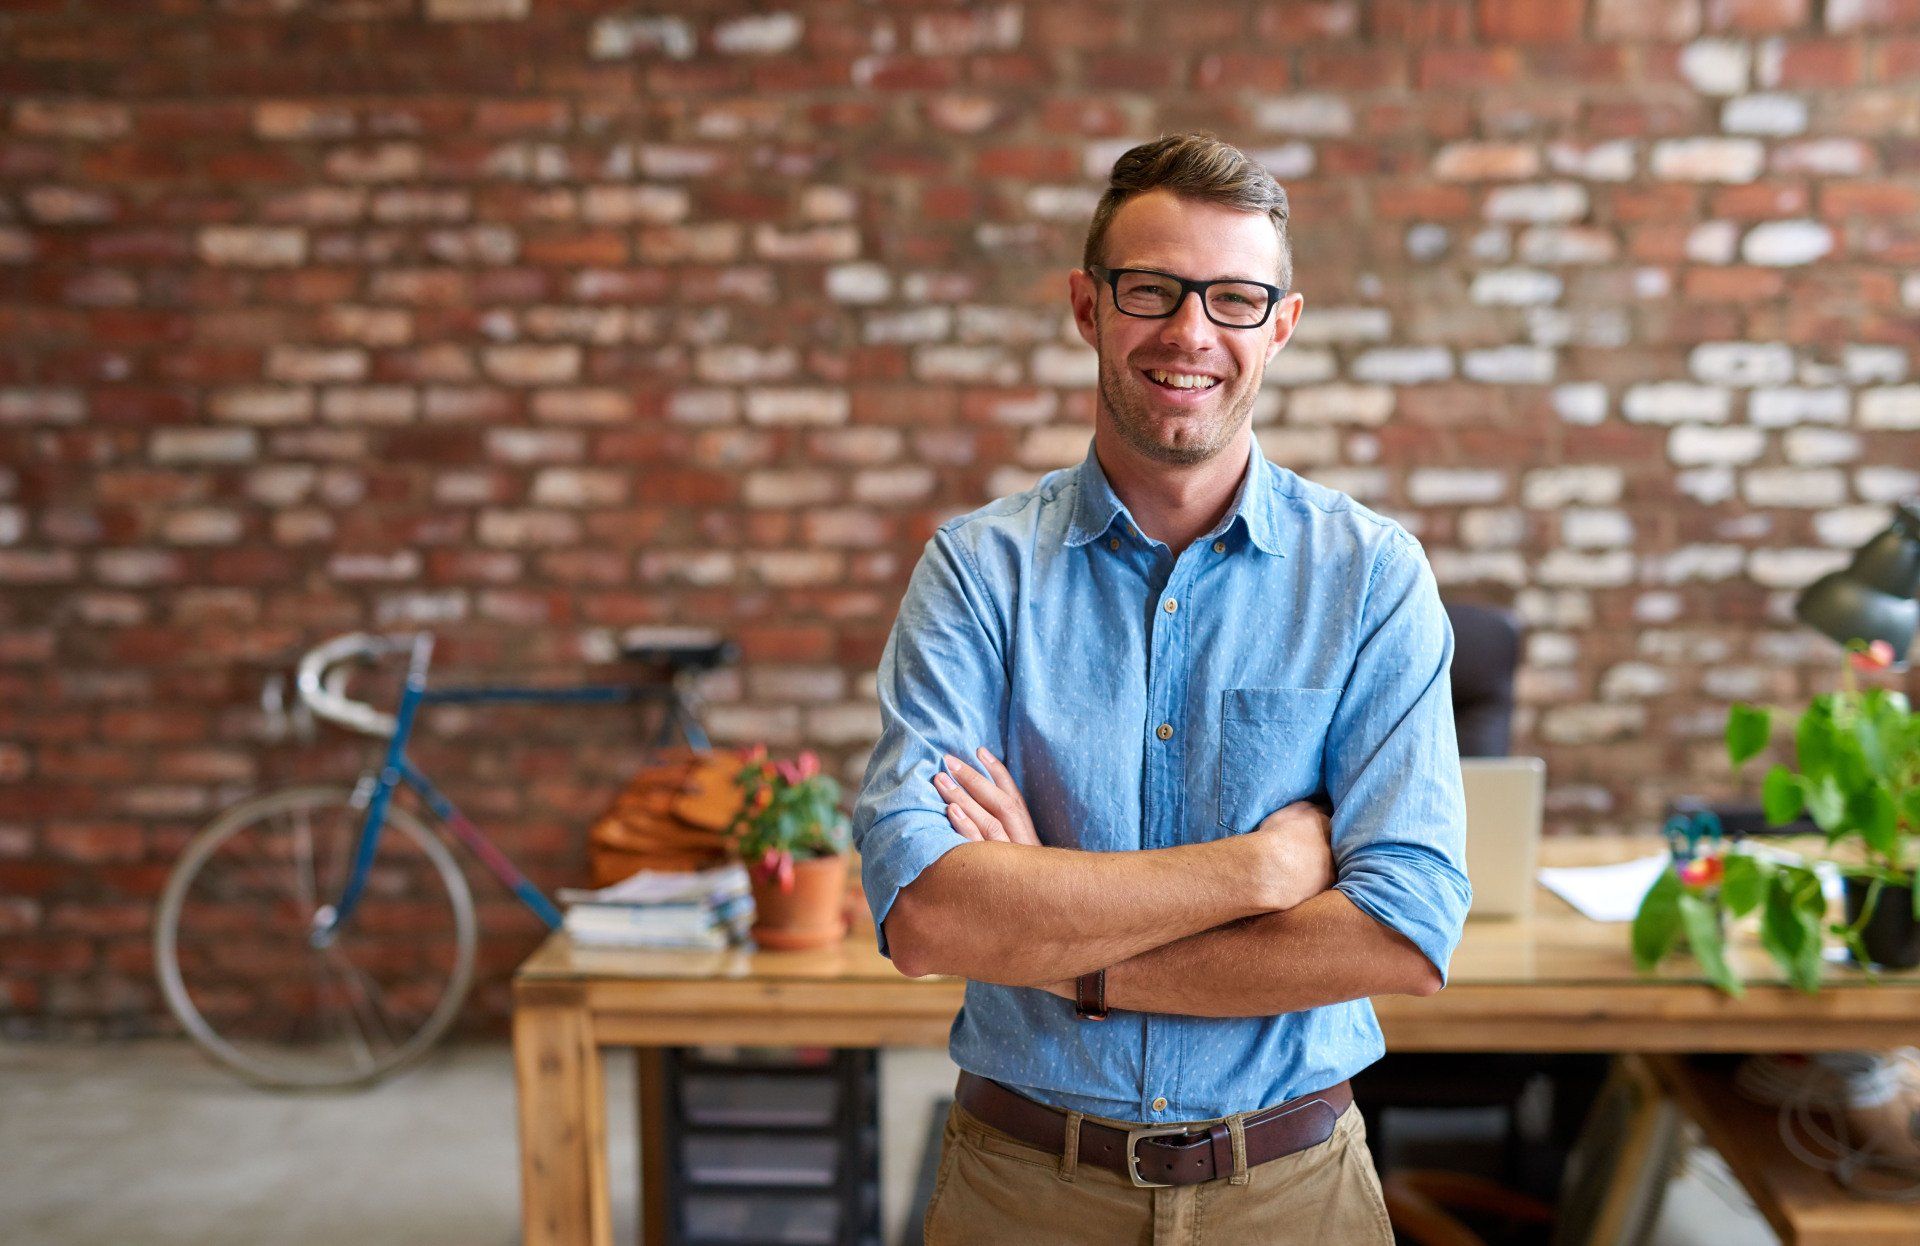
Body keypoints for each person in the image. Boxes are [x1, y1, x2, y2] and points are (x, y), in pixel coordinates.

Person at [851, 132, 1471, 1243]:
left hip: (1294, 1192)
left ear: (1280, 325)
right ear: (1089, 308)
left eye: (1235, 298)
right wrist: (1260, 868)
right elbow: (931, 915)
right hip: (1021, 1188)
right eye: (1154, 290)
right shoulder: (978, 573)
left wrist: (1061, 937)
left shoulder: (1370, 576)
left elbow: (1401, 933)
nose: (1192, 332)